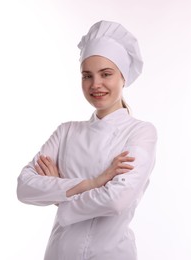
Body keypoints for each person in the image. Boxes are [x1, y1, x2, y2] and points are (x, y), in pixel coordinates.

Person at [17, 20, 157, 260]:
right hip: (58, 253)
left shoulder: (141, 132)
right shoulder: (66, 132)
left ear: (123, 77)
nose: (95, 84)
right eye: (87, 75)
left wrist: (60, 198)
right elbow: (24, 187)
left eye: (106, 74)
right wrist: (94, 183)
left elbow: (116, 201)